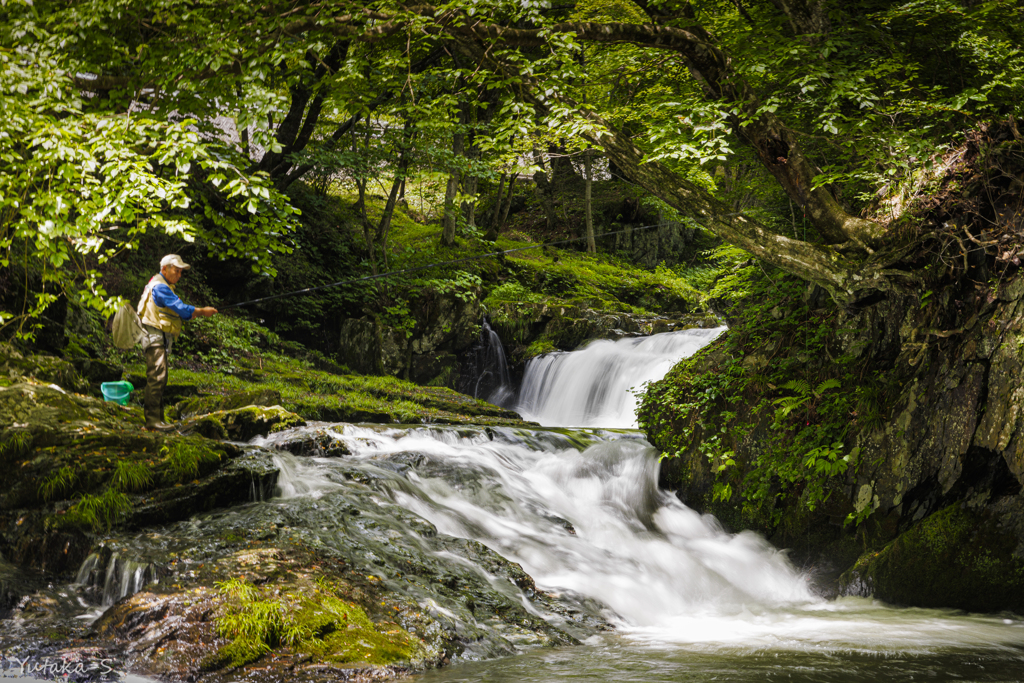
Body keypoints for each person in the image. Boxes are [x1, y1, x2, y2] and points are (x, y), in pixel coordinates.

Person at [137, 254, 217, 431]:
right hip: (153, 336)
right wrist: (203, 311)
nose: (179, 275)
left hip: (157, 336)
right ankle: (152, 422)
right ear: (164, 268)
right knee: (157, 377)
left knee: (160, 377)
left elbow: (176, 310)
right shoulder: (160, 287)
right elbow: (179, 308)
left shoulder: (161, 284)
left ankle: (158, 419)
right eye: (176, 271)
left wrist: (195, 312)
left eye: (181, 272)